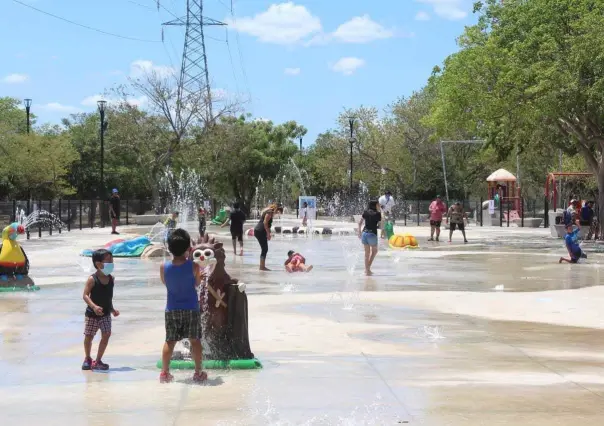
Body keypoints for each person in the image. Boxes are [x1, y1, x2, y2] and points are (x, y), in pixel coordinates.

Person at [159, 228, 207, 383]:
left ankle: (165, 373)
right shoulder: (193, 266)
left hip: (171, 309)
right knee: (195, 340)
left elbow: (165, 282)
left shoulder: (163, 267)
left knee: (170, 341)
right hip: (191, 308)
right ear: (188, 248)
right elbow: (198, 283)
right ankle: (198, 372)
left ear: (169, 247)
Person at [82, 249, 120, 371]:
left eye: (112, 260)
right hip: (92, 314)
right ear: (98, 264)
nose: (111, 263)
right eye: (108, 261)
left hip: (105, 314)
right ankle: (87, 358)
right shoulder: (92, 279)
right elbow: (85, 295)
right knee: (89, 336)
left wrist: (112, 309)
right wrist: (94, 306)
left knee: (106, 334)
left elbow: (108, 297)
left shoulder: (111, 279)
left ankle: (98, 360)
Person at [254, 204, 282, 271]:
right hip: (260, 231)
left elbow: (268, 225)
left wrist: (269, 233)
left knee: (264, 249)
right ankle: (262, 267)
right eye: (278, 211)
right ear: (276, 209)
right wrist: (268, 234)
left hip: (259, 231)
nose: (278, 213)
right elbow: (265, 223)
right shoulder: (269, 212)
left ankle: (262, 266)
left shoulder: (269, 212)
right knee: (264, 249)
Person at [358, 200, 382, 276]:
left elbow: (360, 223)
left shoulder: (365, 212)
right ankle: (367, 269)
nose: (379, 206)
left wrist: (359, 232)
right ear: (375, 205)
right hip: (372, 234)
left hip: (364, 234)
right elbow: (381, 225)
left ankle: (367, 271)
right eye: (378, 205)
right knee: (374, 251)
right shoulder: (378, 214)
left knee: (366, 254)